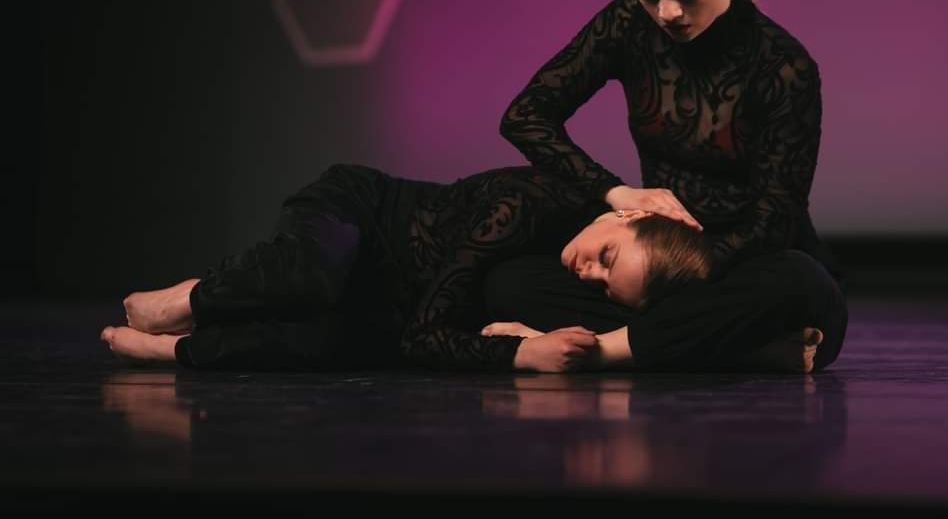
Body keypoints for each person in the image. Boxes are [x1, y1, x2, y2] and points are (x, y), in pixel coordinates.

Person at [491, 0, 848, 371]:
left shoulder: (784, 65)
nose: (667, 13)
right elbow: (526, 116)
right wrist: (616, 193)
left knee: (800, 284)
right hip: (649, 276)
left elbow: (775, 221)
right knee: (509, 281)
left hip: (747, 267)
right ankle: (737, 348)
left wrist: (685, 278)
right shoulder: (627, 24)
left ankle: (603, 350)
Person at [100, 163, 792, 373]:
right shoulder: (529, 205)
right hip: (362, 217)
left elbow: (416, 332)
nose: (587, 272)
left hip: (396, 298)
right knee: (314, 276)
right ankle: (196, 297)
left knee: (323, 346)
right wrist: (519, 353)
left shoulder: (566, 270)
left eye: (605, 285)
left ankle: (177, 350)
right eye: (606, 256)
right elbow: (427, 337)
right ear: (626, 213)